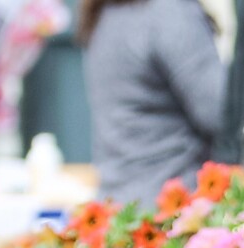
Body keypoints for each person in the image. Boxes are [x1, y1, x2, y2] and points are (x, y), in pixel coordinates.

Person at [79, 0, 226, 205]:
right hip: (172, 209)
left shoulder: (106, 13)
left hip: (118, 208)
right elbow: (221, 113)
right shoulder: (169, 12)